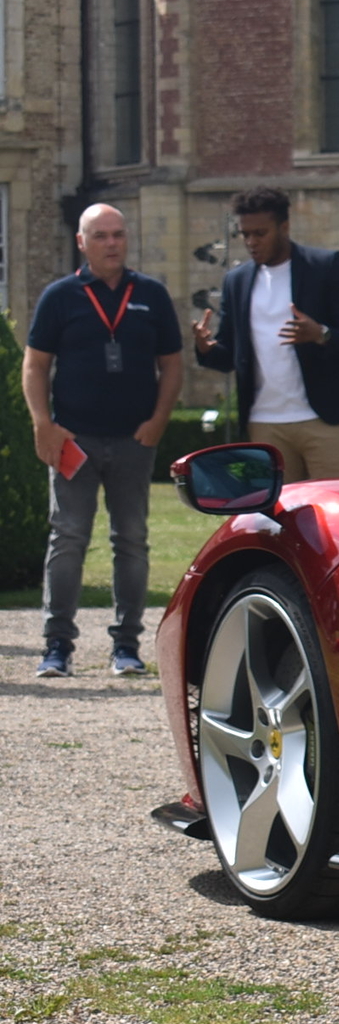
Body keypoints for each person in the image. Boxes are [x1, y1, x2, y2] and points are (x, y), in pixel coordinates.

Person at [21, 204, 185, 676]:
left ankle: (126, 647)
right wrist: (42, 424)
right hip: (74, 439)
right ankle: (57, 647)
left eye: (118, 235)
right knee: (68, 538)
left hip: (134, 439)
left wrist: (159, 420)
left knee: (131, 540)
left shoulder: (150, 295)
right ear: (81, 242)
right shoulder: (60, 297)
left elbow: (172, 363)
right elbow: (35, 364)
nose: (112, 243)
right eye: (101, 236)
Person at [191, 186, 339, 481]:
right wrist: (207, 348)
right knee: (276, 518)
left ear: (284, 227)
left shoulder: (325, 267)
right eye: (245, 234)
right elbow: (229, 356)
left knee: (335, 514)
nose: (251, 242)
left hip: (323, 419)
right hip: (264, 424)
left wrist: (320, 334)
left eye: (260, 233)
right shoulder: (236, 281)